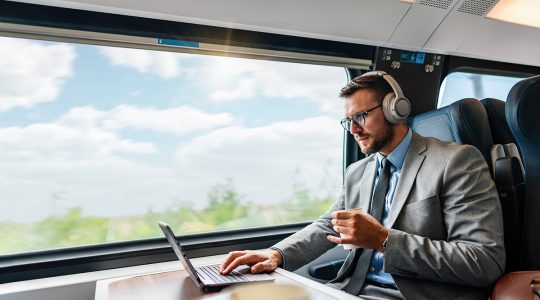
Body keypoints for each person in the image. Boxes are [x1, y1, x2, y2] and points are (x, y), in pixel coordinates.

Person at [220, 71, 505, 300]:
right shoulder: (358, 172)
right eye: (348, 121)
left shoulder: (456, 161)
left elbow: (484, 261)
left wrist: (383, 240)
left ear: (396, 110)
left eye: (361, 116)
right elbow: (328, 225)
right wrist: (277, 254)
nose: (354, 130)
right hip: (347, 289)